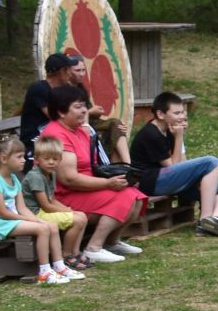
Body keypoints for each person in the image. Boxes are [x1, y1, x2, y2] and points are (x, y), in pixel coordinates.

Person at [35, 84, 142, 264]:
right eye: (78, 107)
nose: (84, 110)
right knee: (126, 197)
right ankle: (94, 247)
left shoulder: (79, 131)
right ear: (61, 111)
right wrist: (108, 184)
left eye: (84, 105)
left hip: (84, 188)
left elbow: (92, 166)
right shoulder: (56, 134)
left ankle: (112, 242)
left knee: (136, 197)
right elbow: (68, 179)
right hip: (63, 195)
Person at [130, 91, 218, 237]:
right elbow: (172, 167)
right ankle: (205, 220)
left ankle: (216, 219)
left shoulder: (169, 130)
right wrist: (179, 137)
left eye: (182, 112)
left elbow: (183, 163)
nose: (182, 116)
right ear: (161, 114)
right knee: (211, 162)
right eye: (176, 113)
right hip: (151, 182)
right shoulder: (150, 134)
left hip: (167, 179)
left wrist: (179, 139)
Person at [0, 136, 84, 284]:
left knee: (51, 226)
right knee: (42, 229)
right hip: (0, 223)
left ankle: (59, 266)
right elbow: (2, 213)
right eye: (19, 157)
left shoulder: (14, 179)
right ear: (4, 158)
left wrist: (35, 219)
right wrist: (30, 220)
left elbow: (22, 207)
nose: (24, 160)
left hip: (13, 220)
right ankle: (44, 272)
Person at [18, 136, 91, 269]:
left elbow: (52, 199)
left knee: (82, 216)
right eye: (46, 159)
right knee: (77, 220)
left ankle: (75, 252)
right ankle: (66, 255)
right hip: (34, 214)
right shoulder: (36, 176)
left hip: (43, 210)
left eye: (55, 159)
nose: (51, 162)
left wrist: (69, 210)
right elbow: (45, 205)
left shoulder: (51, 173)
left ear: (60, 160)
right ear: (37, 159)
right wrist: (68, 212)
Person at [19, 53, 84, 161]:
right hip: (36, 139)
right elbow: (55, 116)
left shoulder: (65, 89)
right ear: (62, 71)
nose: (70, 73)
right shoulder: (39, 88)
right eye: (69, 69)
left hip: (55, 134)